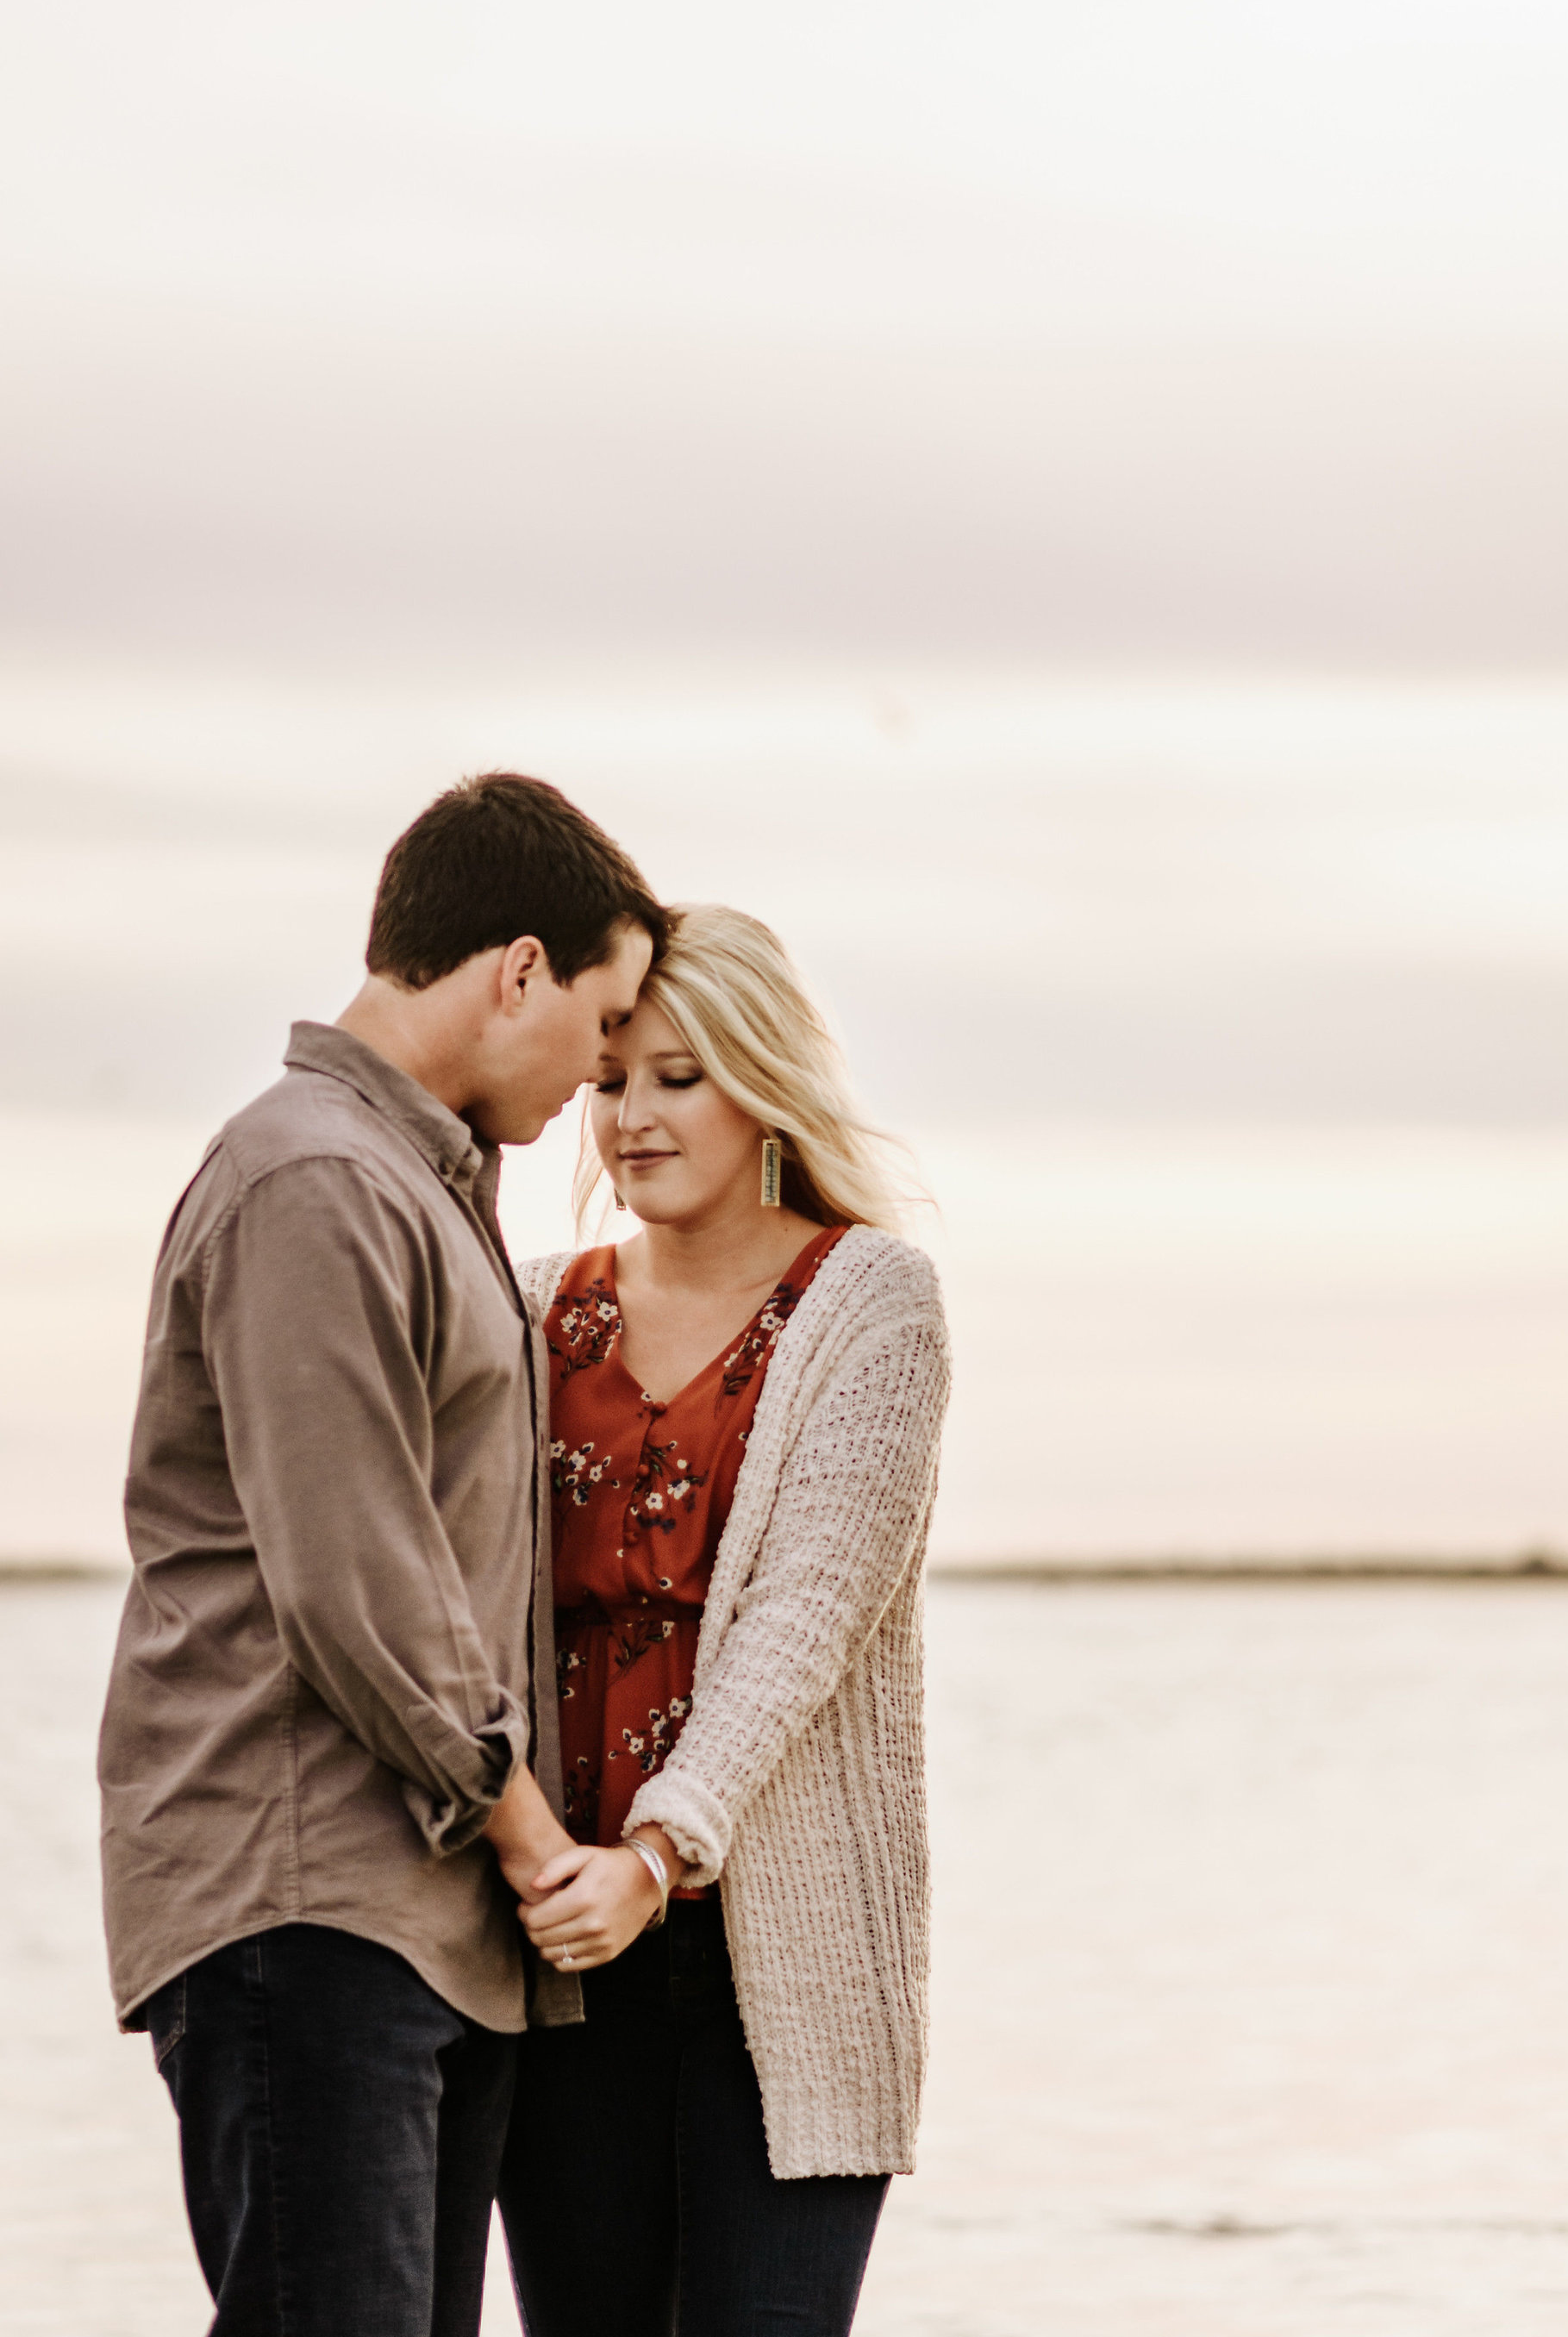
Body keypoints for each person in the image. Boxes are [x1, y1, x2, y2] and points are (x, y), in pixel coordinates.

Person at [97, 772, 666, 2337]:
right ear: (520, 969)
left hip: (421, 1921)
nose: (604, 1074)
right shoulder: (319, 1177)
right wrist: (532, 1835)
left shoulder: (420, 1180)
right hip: (308, 1899)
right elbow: (357, 1577)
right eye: (604, 1020)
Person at [497, 904, 952, 2337]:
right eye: (613, 1079)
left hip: (788, 1959)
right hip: (558, 1947)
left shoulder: (870, 1300)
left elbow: (806, 1624)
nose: (632, 1117)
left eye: (678, 1076)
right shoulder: (528, 1311)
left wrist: (658, 1849)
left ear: (764, 1079)